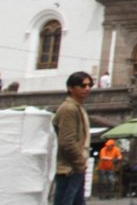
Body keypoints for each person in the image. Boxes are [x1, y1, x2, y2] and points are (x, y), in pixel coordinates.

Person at [52, 71, 92, 205]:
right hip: (69, 168)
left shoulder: (77, 107)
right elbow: (67, 142)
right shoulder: (69, 108)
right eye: (82, 85)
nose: (87, 88)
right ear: (70, 88)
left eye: (89, 85)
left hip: (75, 167)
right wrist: (80, 162)